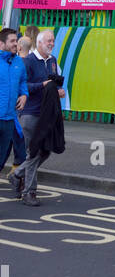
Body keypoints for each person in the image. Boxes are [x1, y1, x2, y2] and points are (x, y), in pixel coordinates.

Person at [11, 28, 65, 206]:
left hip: (46, 114)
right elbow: (22, 86)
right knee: (33, 153)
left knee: (46, 150)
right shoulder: (28, 62)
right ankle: (29, 192)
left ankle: (17, 174)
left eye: (53, 41)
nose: (51, 44)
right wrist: (42, 85)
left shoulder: (52, 61)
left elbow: (53, 83)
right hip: (30, 113)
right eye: (48, 41)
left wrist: (58, 91)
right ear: (39, 42)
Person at [0, 27, 27, 190]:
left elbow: (23, 81)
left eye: (16, 41)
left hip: (10, 119)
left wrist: (24, 95)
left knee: (1, 160)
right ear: (1, 43)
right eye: (12, 41)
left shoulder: (18, 62)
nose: (15, 44)